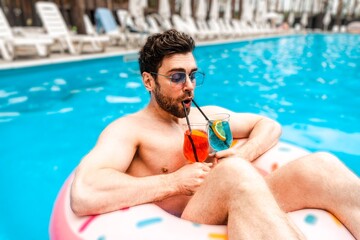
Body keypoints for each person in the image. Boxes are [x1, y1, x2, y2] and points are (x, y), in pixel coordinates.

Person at [70, 29, 360, 239]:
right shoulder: (129, 130)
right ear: (148, 81)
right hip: (189, 221)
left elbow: (269, 125)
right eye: (177, 76)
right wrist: (174, 181)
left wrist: (243, 153)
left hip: (237, 195)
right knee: (232, 172)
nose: (189, 86)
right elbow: (85, 192)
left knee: (321, 165)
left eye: (193, 74)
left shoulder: (202, 114)